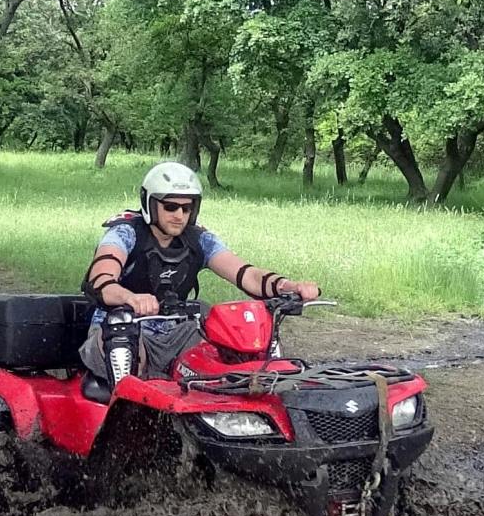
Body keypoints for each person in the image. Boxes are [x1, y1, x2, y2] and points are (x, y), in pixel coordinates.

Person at [80, 161, 320, 382]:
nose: (179, 215)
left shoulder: (199, 240)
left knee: (233, 347)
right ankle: (126, 417)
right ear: (150, 204)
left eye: (186, 208)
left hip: (177, 332)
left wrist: (288, 286)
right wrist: (130, 298)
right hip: (119, 328)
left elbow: (247, 274)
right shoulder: (125, 233)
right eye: (171, 206)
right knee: (125, 346)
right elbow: (100, 280)